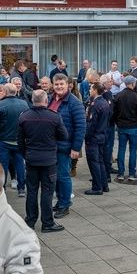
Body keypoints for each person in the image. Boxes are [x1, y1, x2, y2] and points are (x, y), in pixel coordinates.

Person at [18, 90, 67, 232]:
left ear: (32, 101)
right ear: (46, 101)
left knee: (32, 191)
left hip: (32, 159)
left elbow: (20, 141)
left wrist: (25, 155)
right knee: (47, 192)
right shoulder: (54, 117)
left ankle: (30, 221)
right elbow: (64, 135)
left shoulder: (24, 117)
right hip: (49, 160)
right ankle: (47, 223)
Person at [48, 73, 85, 218]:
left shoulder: (74, 103)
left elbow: (81, 127)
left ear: (67, 84)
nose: (59, 87)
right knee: (55, 176)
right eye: (56, 84)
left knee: (63, 176)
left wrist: (76, 148)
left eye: (61, 84)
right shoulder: (50, 99)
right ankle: (60, 201)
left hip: (65, 146)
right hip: (51, 145)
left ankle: (65, 204)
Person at [0, 83, 30, 197]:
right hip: (18, 140)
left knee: (3, 164)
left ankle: (2, 189)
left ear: (6, 92)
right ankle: (21, 188)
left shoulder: (0, 105)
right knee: (20, 164)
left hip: (4, 140)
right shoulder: (24, 104)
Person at [112, 75, 137, 181]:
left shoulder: (118, 96)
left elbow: (114, 112)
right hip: (133, 127)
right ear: (131, 83)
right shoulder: (136, 97)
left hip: (122, 126)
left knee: (121, 150)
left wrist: (117, 123)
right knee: (133, 150)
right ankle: (132, 173)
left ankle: (121, 173)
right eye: (134, 82)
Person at [84, 83, 111, 195]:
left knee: (94, 162)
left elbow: (91, 124)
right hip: (102, 135)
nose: (90, 90)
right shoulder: (104, 102)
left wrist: (87, 138)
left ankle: (97, 187)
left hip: (94, 137)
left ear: (95, 90)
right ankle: (104, 185)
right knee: (100, 161)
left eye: (91, 88)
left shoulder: (95, 104)